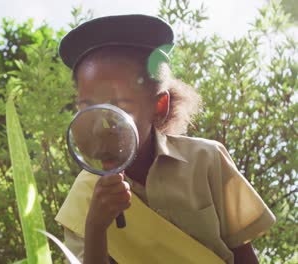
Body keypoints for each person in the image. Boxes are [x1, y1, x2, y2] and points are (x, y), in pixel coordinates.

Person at [55, 14, 275, 264]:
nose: (101, 125)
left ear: (158, 105)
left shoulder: (206, 160)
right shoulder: (83, 199)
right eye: (89, 106)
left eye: (119, 105)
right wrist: (95, 227)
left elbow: (244, 255)